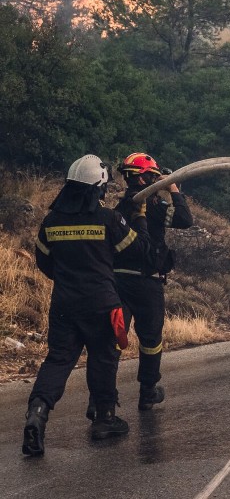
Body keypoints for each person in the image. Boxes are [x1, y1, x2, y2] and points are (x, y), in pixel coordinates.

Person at [24, 155, 150, 456]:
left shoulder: (51, 221)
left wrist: (68, 279)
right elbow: (140, 251)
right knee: (102, 358)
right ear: (98, 187)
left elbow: (44, 262)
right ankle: (105, 418)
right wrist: (140, 214)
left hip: (65, 305)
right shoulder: (108, 219)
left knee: (58, 360)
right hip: (102, 305)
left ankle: (37, 414)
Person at [112, 152, 193, 411]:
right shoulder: (155, 208)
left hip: (117, 283)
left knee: (113, 339)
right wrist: (173, 188)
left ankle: (102, 400)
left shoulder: (119, 209)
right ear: (147, 178)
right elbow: (184, 219)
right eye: (155, 177)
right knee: (151, 340)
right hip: (147, 284)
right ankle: (147, 390)